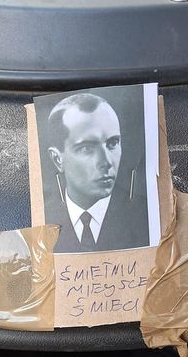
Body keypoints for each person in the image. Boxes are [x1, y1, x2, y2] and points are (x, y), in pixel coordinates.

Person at [43, 92, 150, 253]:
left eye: (113, 143)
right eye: (87, 148)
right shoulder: (41, 220)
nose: (106, 162)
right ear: (58, 159)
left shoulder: (145, 217)